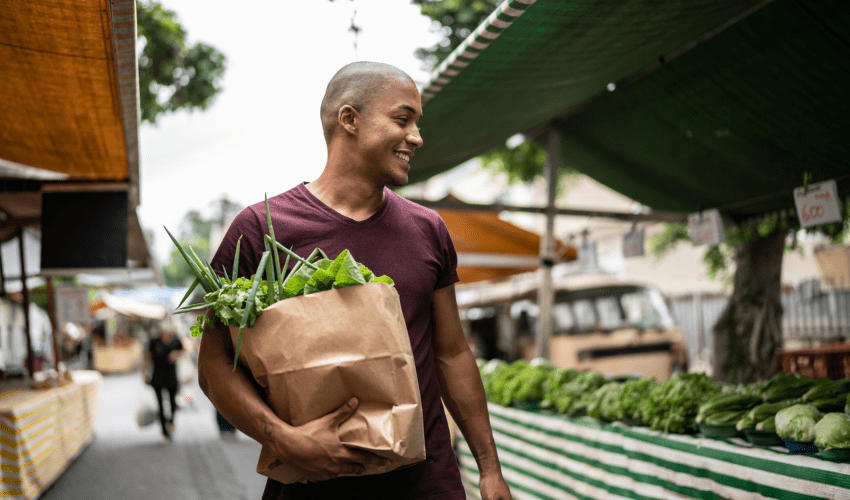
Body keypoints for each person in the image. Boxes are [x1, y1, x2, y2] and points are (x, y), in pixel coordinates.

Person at [199, 61, 512, 500]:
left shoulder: (428, 230)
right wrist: (281, 439)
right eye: (403, 120)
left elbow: (452, 353)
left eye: (417, 123)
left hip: (424, 483)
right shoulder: (262, 230)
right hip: (311, 483)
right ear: (349, 119)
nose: (417, 137)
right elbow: (214, 365)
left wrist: (489, 468)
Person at [144, 317, 184, 443]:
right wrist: (144, 372)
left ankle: (171, 422)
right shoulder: (154, 341)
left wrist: (176, 355)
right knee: (160, 404)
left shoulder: (176, 340)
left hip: (171, 375)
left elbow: (184, 350)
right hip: (158, 375)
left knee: (172, 402)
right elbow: (148, 357)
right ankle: (164, 432)